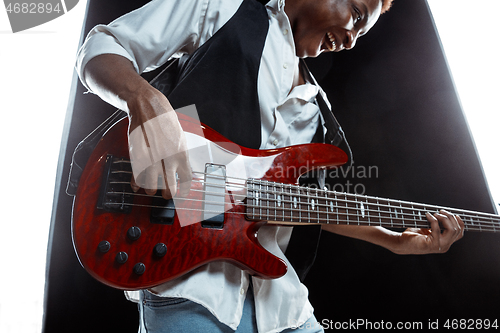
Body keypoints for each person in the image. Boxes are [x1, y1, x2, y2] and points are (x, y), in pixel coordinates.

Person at [75, 0, 465, 332]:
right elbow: (102, 47)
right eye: (357, 15)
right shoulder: (225, 9)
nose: (351, 39)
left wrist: (394, 240)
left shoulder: (318, 109)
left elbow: (309, 203)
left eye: (361, 35)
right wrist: (144, 98)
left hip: (284, 307)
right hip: (186, 286)